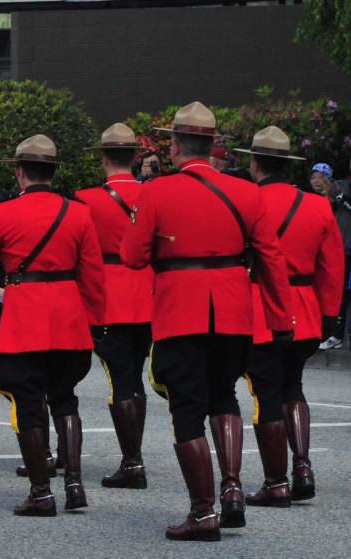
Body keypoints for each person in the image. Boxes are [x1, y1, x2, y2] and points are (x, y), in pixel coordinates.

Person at [121, 102, 294, 541]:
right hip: (234, 309)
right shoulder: (247, 192)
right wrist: (281, 317)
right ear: (215, 147)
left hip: (181, 308)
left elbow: (132, 256)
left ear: (175, 146)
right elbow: (271, 260)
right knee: (224, 396)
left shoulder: (156, 191)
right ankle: (231, 487)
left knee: (187, 409)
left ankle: (203, 512)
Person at [0, 134, 105, 517]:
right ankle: (75, 483)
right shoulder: (79, 213)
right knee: (65, 398)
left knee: (29, 402)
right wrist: (97, 321)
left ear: (19, 172)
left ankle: (41, 492)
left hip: (26, 316)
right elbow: (93, 276)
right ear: (53, 173)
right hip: (68, 316)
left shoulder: (4, 214)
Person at [235, 126, 343, 506]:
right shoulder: (318, 206)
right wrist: (329, 315)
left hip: (260, 305)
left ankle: (276, 481)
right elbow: (333, 267)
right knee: (293, 386)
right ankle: (302, 467)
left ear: (255, 163)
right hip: (305, 307)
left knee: (266, 392)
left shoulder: (245, 201)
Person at [75, 123, 154, 490]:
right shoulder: (153, 194)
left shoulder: (86, 199)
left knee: (120, 378)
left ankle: (132, 461)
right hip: (148, 293)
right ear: (135, 158)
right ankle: (133, 455)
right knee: (135, 375)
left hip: (108, 293)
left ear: (104, 158)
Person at [314, 162, 351, 349]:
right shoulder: (340, 185)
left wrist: (340, 197)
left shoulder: (342, 190)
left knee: (342, 294)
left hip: (346, 250)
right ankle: (322, 331)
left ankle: (336, 334)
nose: (316, 181)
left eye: (320, 177)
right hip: (331, 249)